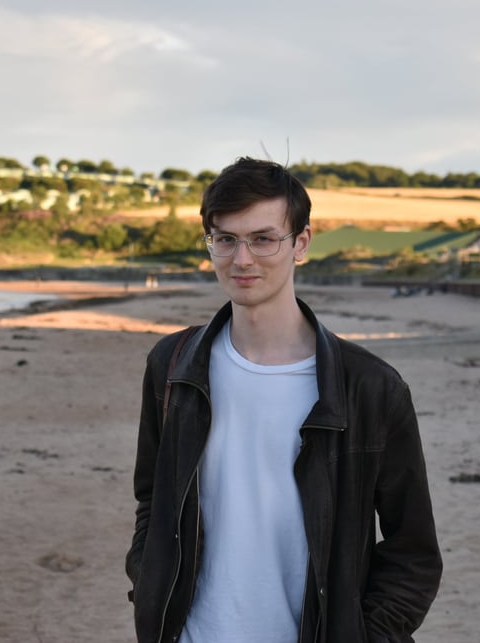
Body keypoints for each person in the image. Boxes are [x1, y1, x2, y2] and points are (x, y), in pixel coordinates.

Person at [125, 157, 442, 643]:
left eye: (263, 239)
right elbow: (153, 499)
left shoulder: (371, 388)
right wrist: (149, 583)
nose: (242, 259)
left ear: (302, 243)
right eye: (225, 239)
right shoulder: (172, 366)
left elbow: (413, 553)